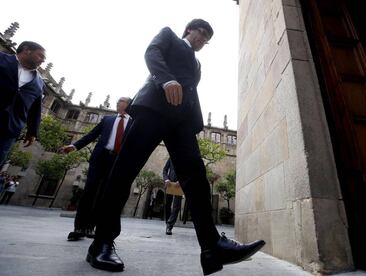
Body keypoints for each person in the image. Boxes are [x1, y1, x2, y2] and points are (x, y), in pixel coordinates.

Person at [86, 19, 265, 275]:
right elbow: (152, 53)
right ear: (188, 30)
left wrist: (195, 120)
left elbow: (191, 90)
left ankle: (213, 246)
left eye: (207, 37)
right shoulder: (169, 35)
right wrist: (166, 80)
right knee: (123, 173)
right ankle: (101, 242)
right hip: (152, 109)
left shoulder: (197, 63)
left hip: (181, 122)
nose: (202, 39)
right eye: (200, 32)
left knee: (197, 178)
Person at [59, 97, 132, 241]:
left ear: (128, 105)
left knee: (104, 195)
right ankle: (79, 228)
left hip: (117, 161)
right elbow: (92, 135)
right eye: (117, 101)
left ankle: (91, 227)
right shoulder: (108, 120)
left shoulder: (134, 123)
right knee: (89, 191)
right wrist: (74, 146)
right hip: (100, 158)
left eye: (121, 101)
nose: (118, 103)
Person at [0, 41, 46, 167]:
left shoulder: (39, 83)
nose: (43, 61)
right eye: (40, 56)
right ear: (26, 50)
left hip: (9, 130)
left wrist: (32, 131)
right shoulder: (2, 59)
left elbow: (35, 109)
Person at [163, 158, 183, 235]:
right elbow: (165, 170)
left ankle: (169, 226)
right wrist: (166, 180)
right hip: (169, 184)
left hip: (179, 186)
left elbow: (188, 172)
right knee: (167, 205)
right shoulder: (171, 158)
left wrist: (181, 180)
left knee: (176, 207)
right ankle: (167, 222)